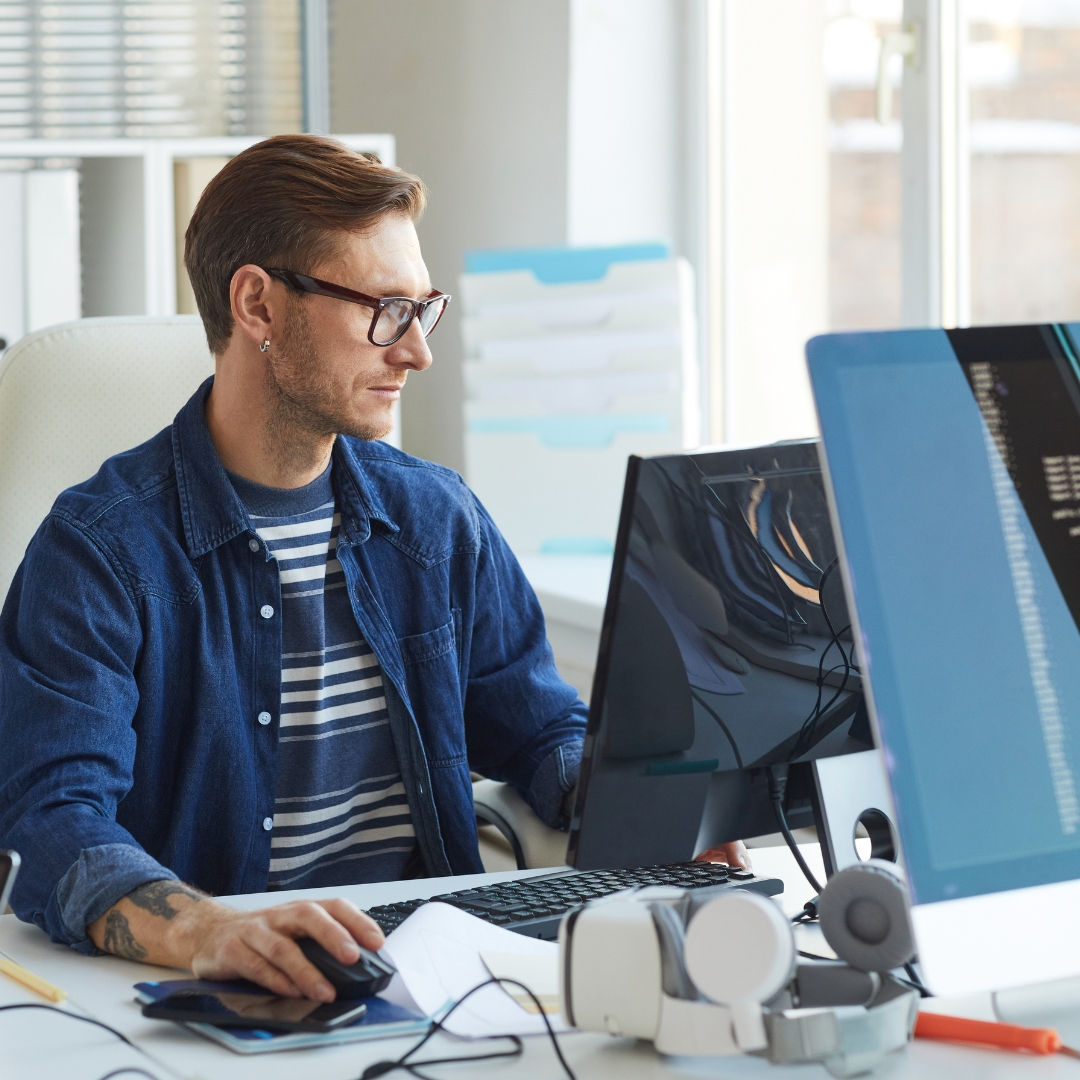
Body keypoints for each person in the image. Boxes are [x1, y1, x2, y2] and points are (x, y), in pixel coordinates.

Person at [0, 135, 744, 1003]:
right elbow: (53, 822)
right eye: (385, 310)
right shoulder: (100, 552)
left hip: (441, 976)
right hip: (225, 986)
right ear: (257, 305)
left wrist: (653, 812)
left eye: (423, 309)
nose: (417, 351)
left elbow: (539, 729)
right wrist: (209, 926)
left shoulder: (436, 519)